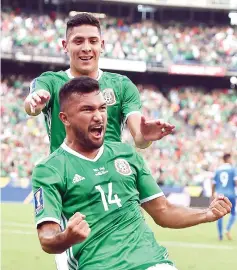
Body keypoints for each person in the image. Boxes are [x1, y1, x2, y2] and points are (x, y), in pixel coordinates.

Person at [32, 77, 232, 270]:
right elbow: (47, 238)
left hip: (153, 262)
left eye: (102, 108)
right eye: (87, 109)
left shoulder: (126, 153)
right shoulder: (50, 169)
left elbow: (163, 211)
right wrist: (67, 237)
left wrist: (207, 214)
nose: (98, 116)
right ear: (64, 118)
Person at [24, 12, 174, 154]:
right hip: (65, 178)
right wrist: (35, 102)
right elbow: (32, 106)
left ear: (101, 45)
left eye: (93, 41)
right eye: (78, 41)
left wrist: (146, 136)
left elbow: (139, 138)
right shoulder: (50, 81)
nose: (86, 48)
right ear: (65, 45)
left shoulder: (122, 86)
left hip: (108, 178)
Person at [212, 153, 237, 241]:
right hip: (231, 194)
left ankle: (220, 235)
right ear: (228, 159)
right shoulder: (232, 169)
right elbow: (235, 181)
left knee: (219, 215)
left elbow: (213, 184)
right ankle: (227, 229)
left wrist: (212, 195)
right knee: (234, 213)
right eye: (231, 159)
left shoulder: (218, 170)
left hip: (220, 195)